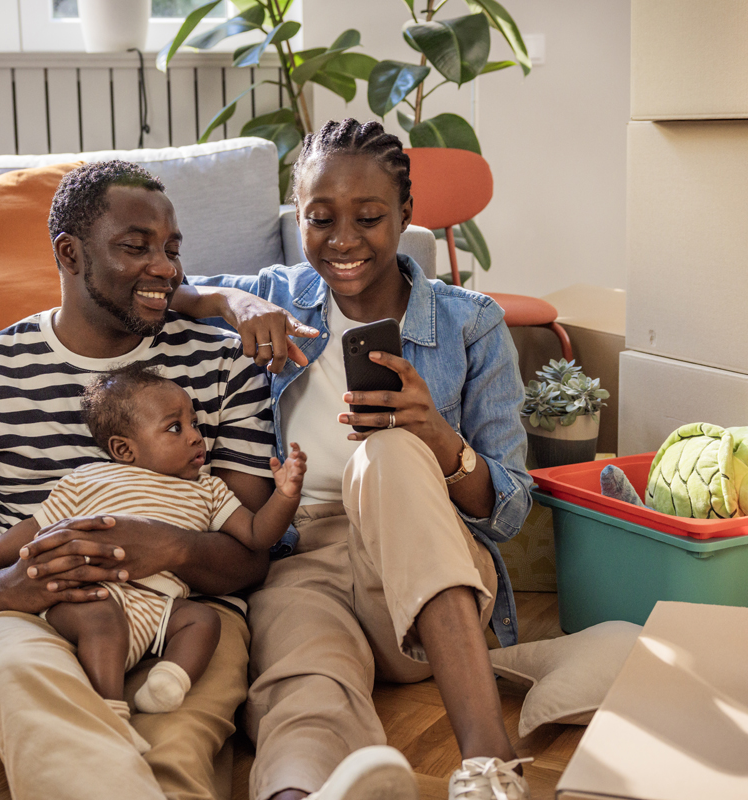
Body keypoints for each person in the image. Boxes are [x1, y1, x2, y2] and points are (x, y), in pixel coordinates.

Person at [173, 118, 535, 800]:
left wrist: (440, 440)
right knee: (302, 687)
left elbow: (511, 508)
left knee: (391, 450)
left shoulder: (471, 322)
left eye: (368, 217)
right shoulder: (277, 295)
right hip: (302, 559)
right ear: (297, 218)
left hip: (428, 590)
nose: (342, 240)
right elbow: (166, 292)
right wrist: (232, 299)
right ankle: (301, 793)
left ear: (405, 216)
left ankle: (491, 766)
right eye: (320, 218)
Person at [0, 159, 279, 800]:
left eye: (172, 248)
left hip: (183, 616)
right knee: (62, 733)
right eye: (136, 247)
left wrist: (167, 547)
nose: (165, 267)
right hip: (30, 618)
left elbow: (250, 558)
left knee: (173, 752)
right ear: (70, 254)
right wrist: (7, 590)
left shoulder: (222, 362)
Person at [0, 364, 307, 738]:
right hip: (91, 595)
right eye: (174, 428)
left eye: (194, 424)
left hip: (161, 605)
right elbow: (33, 527)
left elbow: (256, 535)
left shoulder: (209, 490)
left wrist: (285, 496)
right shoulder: (89, 479)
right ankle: (109, 709)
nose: (196, 438)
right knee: (103, 622)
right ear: (123, 449)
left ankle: (169, 681)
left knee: (204, 621)